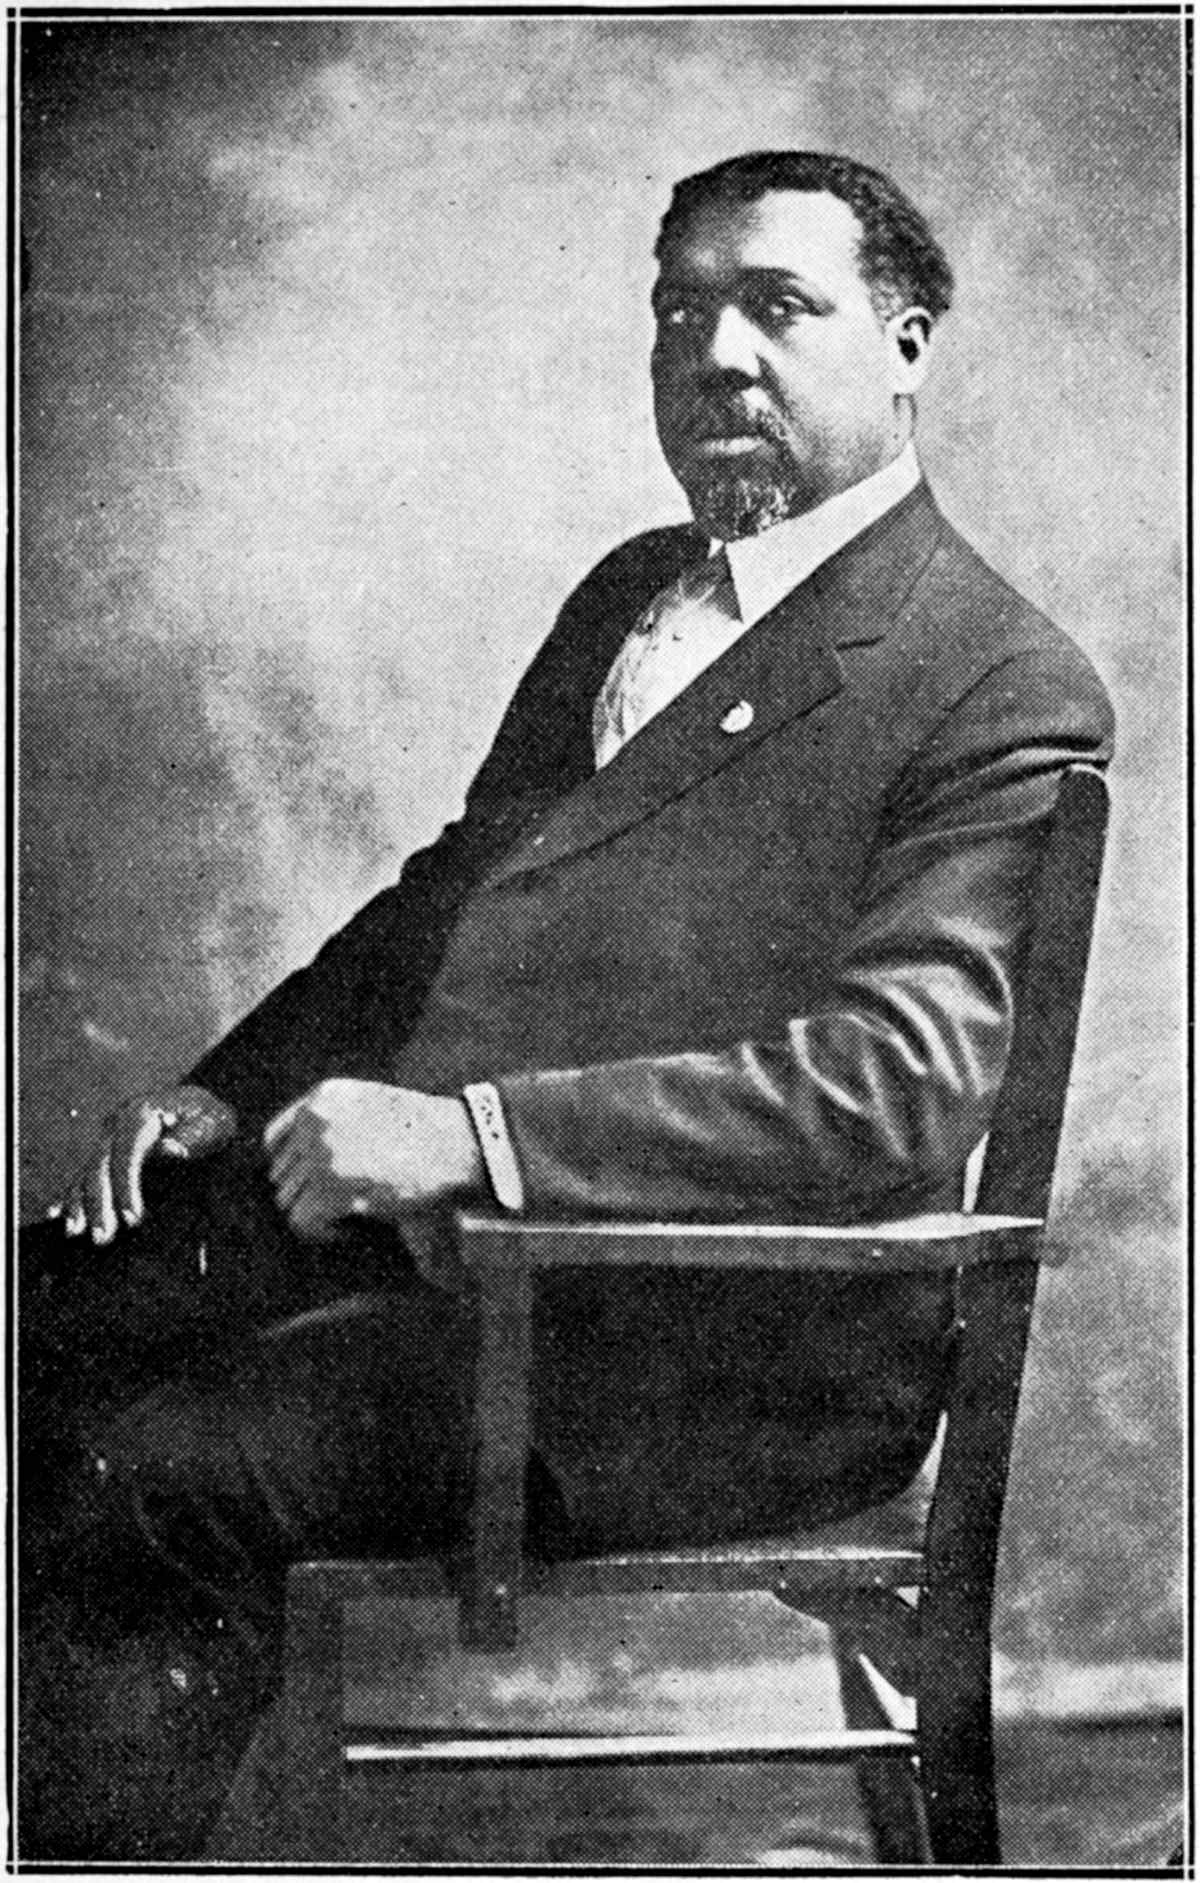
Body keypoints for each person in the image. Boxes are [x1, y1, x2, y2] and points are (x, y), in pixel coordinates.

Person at [20, 149, 1113, 1858]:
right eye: (681, 311)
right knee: (41, 1316)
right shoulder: (632, 591)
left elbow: (890, 1082)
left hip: (723, 1347)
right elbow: (454, 899)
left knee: (166, 1475)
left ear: (906, 345)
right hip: (475, 1257)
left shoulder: (993, 680)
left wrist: (469, 1135)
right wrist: (225, 1087)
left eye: (778, 307)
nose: (715, 354)